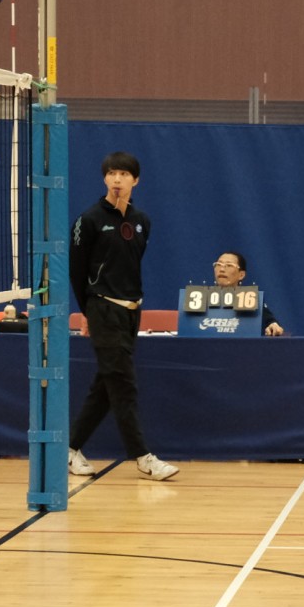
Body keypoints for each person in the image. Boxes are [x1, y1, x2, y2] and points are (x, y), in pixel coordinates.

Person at [66, 151, 179, 481]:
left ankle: (69, 449)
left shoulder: (142, 220)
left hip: (131, 312)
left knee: (107, 384)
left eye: (124, 174)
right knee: (124, 384)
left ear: (135, 180)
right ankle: (143, 457)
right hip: (103, 309)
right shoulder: (88, 220)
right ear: (105, 178)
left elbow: (130, 265)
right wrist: (87, 312)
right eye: (112, 173)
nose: (117, 179)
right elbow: (77, 272)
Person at [211, 250, 285, 335]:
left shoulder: (250, 298)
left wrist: (273, 325)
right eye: (218, 264)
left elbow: (269, 320)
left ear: (241, 275)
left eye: (229, 265)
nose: (222, 269)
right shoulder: (201, 298)